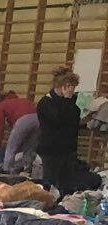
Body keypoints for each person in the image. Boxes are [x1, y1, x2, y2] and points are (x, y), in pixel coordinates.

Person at [37, 66, 93, 195]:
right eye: (71, 86)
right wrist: (67, 101)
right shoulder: (45, 103)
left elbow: (74, 119)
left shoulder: (71, 101)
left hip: (68, 150)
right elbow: (59, 118)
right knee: (50, 183)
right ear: (63, 86)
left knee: (67, 184)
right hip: (51, 150)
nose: (73, 90)